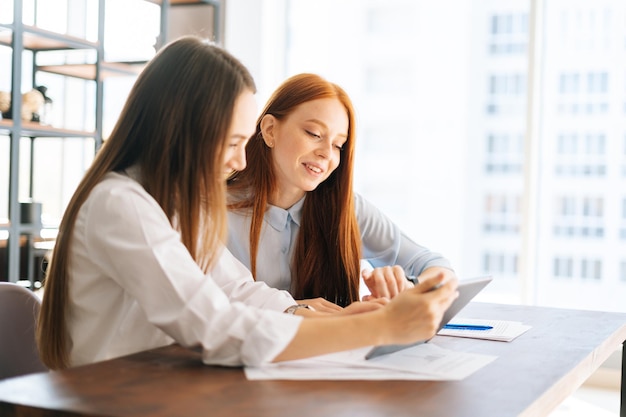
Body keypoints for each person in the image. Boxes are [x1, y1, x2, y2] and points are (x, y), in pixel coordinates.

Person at [36, 36, 458, 371]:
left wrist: (343, 319)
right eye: (236, 142)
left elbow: (237, 290)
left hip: (156, 385)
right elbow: (212, 326)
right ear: (186, 129)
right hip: (109, 396)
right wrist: (377, 328)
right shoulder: (119, 203)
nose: (241, 160)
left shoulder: (176, 205)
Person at [227, 73, 457, 312]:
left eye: (338, 145)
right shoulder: (212, 210)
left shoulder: (346, 209)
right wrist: (292, 309)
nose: (327, 153)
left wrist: (410, 287)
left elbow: (438, 268)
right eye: (314, 134)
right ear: (270, 130)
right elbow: (203, 310)